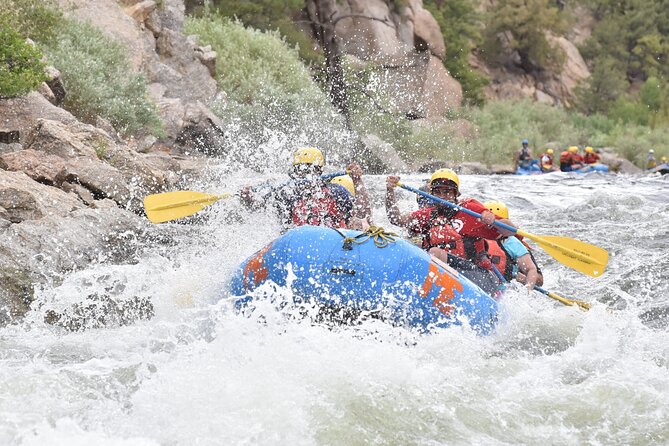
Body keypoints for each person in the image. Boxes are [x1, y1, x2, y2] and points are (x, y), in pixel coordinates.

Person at [385, 168, 516, 273]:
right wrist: (390, 190)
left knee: (434, 253)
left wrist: (492, 219)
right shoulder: (427, 214)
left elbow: (510, 231)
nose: (442, 197)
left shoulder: (469, 211)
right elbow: (395, 219)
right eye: (438, 192)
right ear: (432, 194)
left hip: (476, 273)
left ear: (456, 194)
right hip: (445, 270)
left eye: (447, 192)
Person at [240, 147, 369, 230]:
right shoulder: (286, 194)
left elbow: (362, 213)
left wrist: (357, 180)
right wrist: (248, 198)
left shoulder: (337, 192)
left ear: (320, 171)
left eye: (310, 169)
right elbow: (259, 208)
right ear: (294, 172)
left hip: (333, 244)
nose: (306, 174)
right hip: (298, 246)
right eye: (301, 169)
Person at [483, 201, 543, 292]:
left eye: (497, 225)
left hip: (503, 290)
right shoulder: (476, 238)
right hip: (481, 283)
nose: (492, 229)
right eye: (488, 225)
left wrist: (526, 287)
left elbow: (532, 271)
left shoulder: (513, 244)